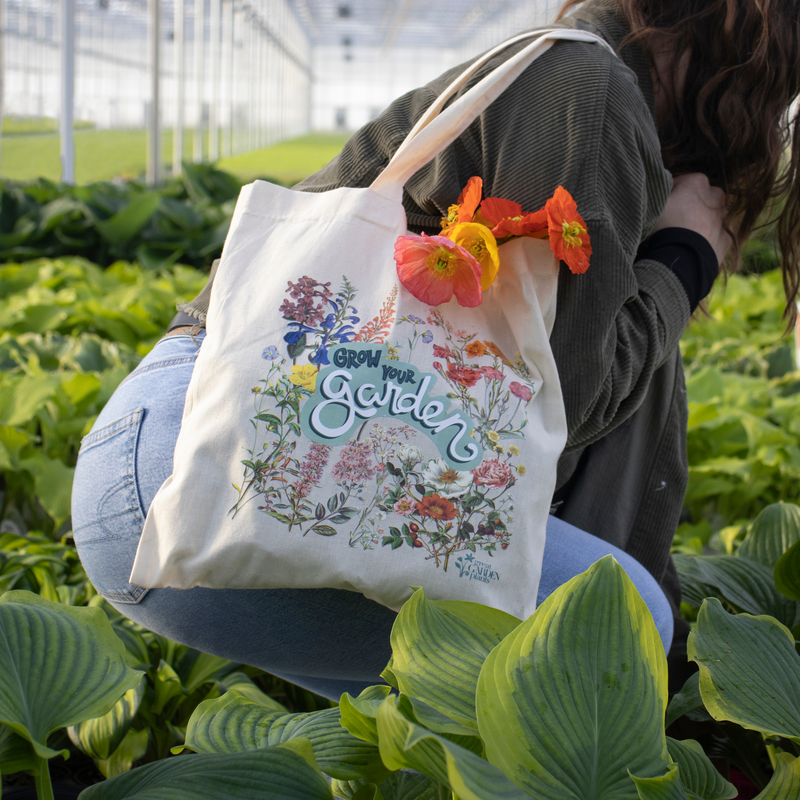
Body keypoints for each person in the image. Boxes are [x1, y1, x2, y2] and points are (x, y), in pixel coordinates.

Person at [71, 0, 800, 700]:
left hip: (187, 454)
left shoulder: (583, 80)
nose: (769, 122)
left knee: (465, 723)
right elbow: (549, 412)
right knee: (619, 625)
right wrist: (683, 259)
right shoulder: (590, 89)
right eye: (778, 92)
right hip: (195, 465)